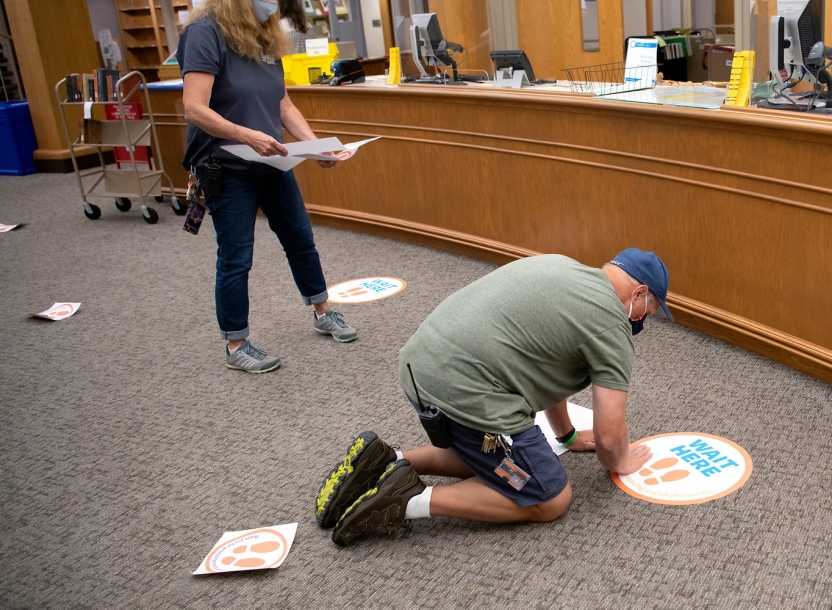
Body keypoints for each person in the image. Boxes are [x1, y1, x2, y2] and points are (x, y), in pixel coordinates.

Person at [314, 249, 673, 546]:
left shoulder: (560, 265)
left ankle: (384, 460)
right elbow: (610, 436)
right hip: (465, 391)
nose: (642, 321)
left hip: (420, 368)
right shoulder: (611, 323)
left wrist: (567, 436)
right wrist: (620, 462)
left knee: (496, 459)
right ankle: (406, 500)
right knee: (549, 496)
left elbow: (546, 368)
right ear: (638, 294)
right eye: (649, 312)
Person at [179, 0, 357, 374]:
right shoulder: (205, 32)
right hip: (226, 165)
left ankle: (323, 311)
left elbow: (284, 105)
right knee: (236, 256)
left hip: (271, 160)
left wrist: (315, 143)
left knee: (300, 238)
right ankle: (236, 344)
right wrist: (248, 136)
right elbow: (195, 108)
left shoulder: (262, 36)